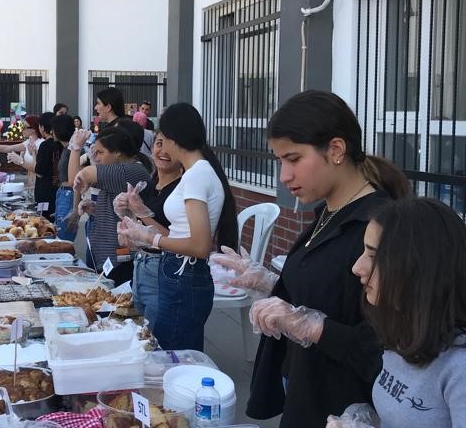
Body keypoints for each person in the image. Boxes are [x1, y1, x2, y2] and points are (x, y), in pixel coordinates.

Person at [213, 90, 411, 427]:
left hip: (342, 410)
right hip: (302, 382)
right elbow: (329, 290)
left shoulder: (378, 228)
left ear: (336, 150)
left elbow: (392, 345)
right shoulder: (328, 212)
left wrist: (316, 329)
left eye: (293, 159)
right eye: (280, 161)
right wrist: (270, 283)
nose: (284, 176)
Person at [323, 198, 466, 428]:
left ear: (420, 267)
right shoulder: (402, 335)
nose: (357, 268)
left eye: (374, 256)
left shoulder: (459, 367)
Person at [118, 103, 237, 350]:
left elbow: (200, 246)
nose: (162, 147)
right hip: (177, 271)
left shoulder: (196, 175)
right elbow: (182, 232)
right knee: (170, 348)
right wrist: (142, 220)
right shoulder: (198, 172)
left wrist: (150, 238)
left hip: (184, 274)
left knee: (171, 353)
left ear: (173, 138)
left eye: (164, 140)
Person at [114, 131, 182, 326]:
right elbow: (142, 232)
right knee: (140, 331)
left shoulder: (182, 190)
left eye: (171, 145)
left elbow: (178, 240)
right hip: (141, 265)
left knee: (156, 333)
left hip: (164, 270)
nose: (164, 151)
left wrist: (141, 212)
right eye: (159, 143)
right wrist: (126, 214)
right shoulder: (148, 185)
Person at [73, 126, 153, 285]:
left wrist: (75, 148)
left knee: (115, 295)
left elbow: (77, 176)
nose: (96, 158)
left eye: (100, 152)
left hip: (121, 258)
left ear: (117, 152)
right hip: (109, 256)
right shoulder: (122, 170)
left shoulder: (129, 170)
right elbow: (121, 210)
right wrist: (96, 209)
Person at [51, 115, 77, 240]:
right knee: (59, 233)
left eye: (53, 129)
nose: (52, 132)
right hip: (63, 192)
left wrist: (75, 209)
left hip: (69, 194)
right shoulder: (66, 148)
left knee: (63, 237)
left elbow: (77, 181)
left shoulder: (73, 150)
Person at [34, 112, 61, 219]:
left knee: (44, 220)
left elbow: (40, 171)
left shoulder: (45, 145)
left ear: (42, 127)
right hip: (57, 188)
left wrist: (20, 161)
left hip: (45, 190)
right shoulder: (59, 144)